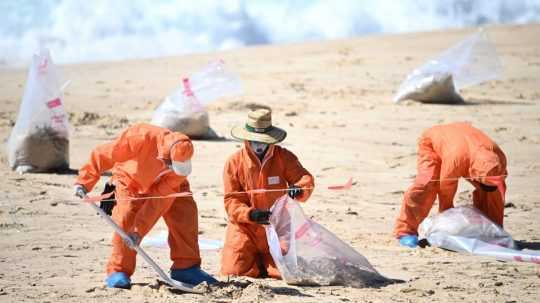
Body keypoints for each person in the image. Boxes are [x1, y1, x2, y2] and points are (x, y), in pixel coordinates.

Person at [74, 123, 216, 288]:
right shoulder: (139, 138)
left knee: (185, 213)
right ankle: (118, 271)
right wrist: (84, 182)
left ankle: (186, 267)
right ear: (164, 158)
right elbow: (103, 155)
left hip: (165, 185)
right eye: (172, 165)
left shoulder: (177, 171)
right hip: (130, 182)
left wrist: (139, 230)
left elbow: (159, 201)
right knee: (125, 219)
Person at [221, 108, 315, 278]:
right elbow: (231, 200)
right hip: (245, 228)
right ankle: (257, 261)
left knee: (286, 273)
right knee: (232, 272)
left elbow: (305, 178)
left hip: (277, 227)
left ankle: (267, 262)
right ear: (246, 139)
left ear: (270, 139)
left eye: (262, 141)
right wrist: (251, 214)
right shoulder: (234, 162)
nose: (258, 145)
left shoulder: (284, 157)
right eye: (254, 141)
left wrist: (299, 188)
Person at [394, 122, 508, 248]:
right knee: (426, 184)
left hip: (465, 143)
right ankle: (405, 231)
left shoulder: (499, 158)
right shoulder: (457, 160)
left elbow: (497, 190)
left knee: (492, 192)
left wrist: (497, 230)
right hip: (434, 142)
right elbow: (446, 188)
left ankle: (491, 232)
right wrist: (446, 222)